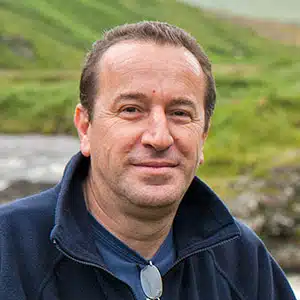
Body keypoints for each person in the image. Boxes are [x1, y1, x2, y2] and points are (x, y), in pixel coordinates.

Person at [0, 21, 296, 300]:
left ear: (203, 135)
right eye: (131, 109)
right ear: (85, 127)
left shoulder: (242, 259)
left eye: (180, 113)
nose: (159, 137)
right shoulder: (9, 252)